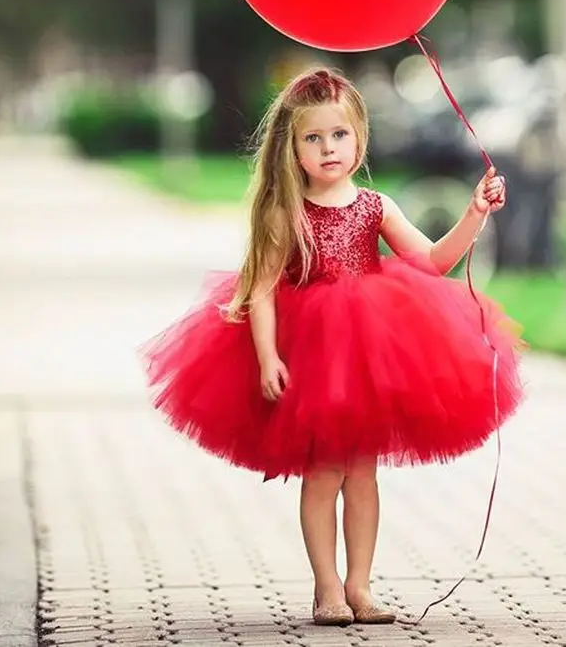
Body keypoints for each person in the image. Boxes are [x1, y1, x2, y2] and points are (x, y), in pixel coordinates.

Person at [144, 67, 524, 627]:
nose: (327, 148)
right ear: (292, 147)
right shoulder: (285, 211)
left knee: (363, 473)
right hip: (314, 355)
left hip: (370, 352)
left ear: (360, 138)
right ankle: (327, 588)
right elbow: (265, 288)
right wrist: (269, 354)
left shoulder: (375, 205)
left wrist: (474, 214)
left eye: (338, 135)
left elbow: (433, 262)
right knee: (323, 472)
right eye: (312, 138)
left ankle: (361, 586)